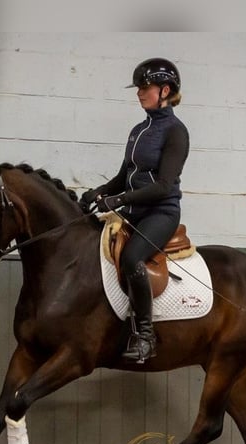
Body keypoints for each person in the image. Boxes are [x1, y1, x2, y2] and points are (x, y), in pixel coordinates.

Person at [79, 57, 190, 364]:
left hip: (160, 213)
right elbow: (121, 177)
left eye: (145, 87)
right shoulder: (138, 130)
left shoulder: (175, 132)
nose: (139, 93)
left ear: (164, 90)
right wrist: (99, 192)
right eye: (139, 88)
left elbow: (165, 185)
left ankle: (145, 336)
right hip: (135, 210)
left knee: (131, 258)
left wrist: (121, 200)